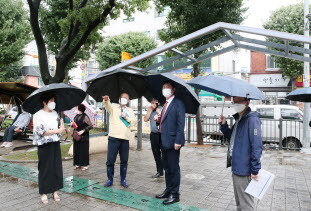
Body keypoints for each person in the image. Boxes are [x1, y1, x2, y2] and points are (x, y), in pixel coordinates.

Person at [218, 96, 262, 211]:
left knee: (246, 204)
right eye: (234, 101)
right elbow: (231, 138)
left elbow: (256, 146)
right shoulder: (239, 119)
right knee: (240, 202)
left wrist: (255, 169)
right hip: (236, 165)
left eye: (239, 100)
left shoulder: (251, 119)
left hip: (244, 168)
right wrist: (223, 125)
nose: (236, 103)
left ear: (248, 102)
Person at [33, 93, 68, 204]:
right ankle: (43, 192)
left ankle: (55, 191)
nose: (53, 103)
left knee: (56, 167)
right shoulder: (38, 115)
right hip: (44, 145)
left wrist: (63, 128)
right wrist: (57, 131)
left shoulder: (55, 113)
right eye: (51, 101)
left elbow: (59, 127)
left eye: (54, 100)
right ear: (44, 102)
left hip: (55, 143)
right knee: (44, 168)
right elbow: (41, 131)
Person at [155, 81, 186, 205]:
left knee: (174, 168)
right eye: (163, 88)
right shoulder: (165, 104)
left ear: (173, 89)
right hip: (164, 140)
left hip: (173, 142)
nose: (165, 90)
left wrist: (178, 140)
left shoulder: (178, 103)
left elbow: (180, 123)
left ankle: (175, 194)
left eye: (167, 88)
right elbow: (165, 122)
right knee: (167, 168)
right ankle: (168, 190)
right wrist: (158, 120)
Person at [102, 93, 136, 188]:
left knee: (124, 161)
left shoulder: (130, 110)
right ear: (118, 99)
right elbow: (107, 107)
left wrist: (126, 117)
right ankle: (110, 179)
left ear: (128, 100)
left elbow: (133, 121)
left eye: (125, 97)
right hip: (113, 138)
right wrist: (106, 100)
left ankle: (123, 179)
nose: (123, 99)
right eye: (121, 97)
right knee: (110, 160)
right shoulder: (113, 107)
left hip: (125, 139)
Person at [144, 98, 163, 178]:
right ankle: (159, 171)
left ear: (159, 102)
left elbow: (165, 119)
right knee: (156, 153)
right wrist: (150, 110)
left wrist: (159, 112)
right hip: (154, 134)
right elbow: (145, 119)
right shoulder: (150, 110)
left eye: (155, 102)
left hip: (162, 134)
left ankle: (167, 169)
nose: (153, 103)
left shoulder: (162, 108)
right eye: (152, 102)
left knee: (165, 153)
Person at [72, 104, 93, 170]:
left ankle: (85, 164)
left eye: (77, 108)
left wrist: (83, 131)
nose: (75, 109)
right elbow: (75, 125)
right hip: (76, 136)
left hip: (83, 136)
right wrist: (72, 125)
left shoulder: (85, 117)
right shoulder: (76, 116)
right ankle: (77, 163)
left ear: (80, 109)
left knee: (83, 150)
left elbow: (90, 126)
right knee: (76, 150)